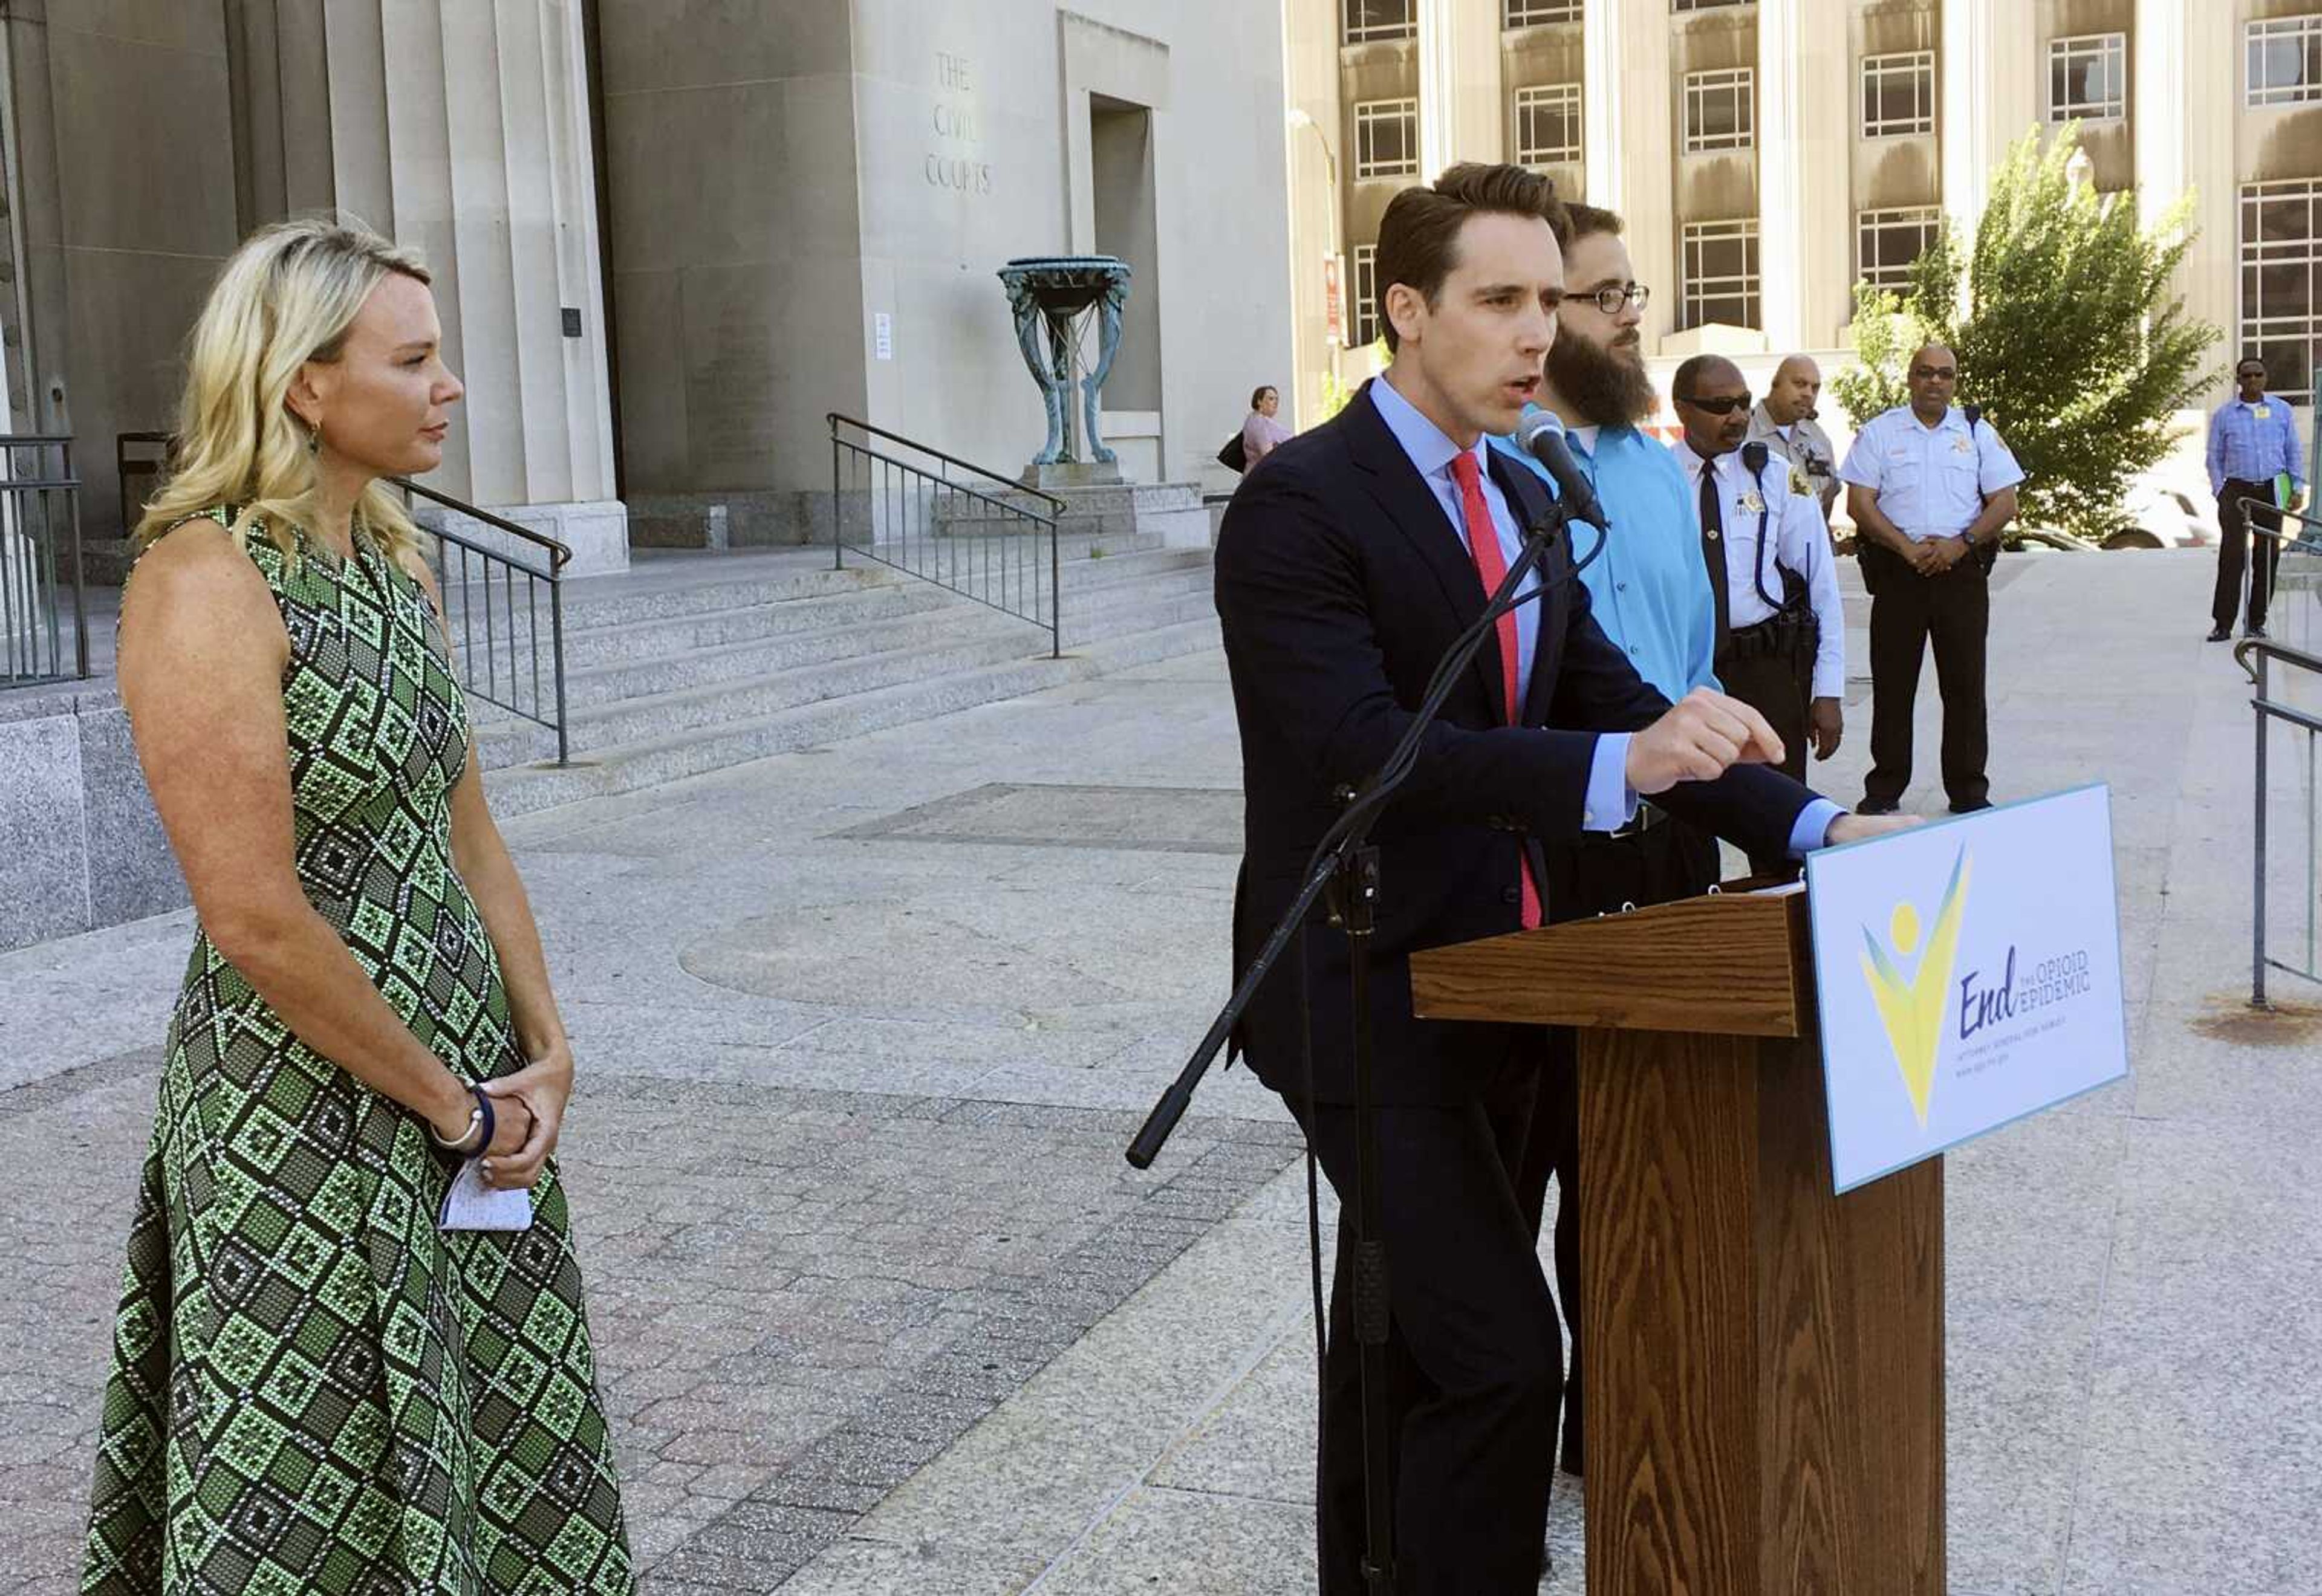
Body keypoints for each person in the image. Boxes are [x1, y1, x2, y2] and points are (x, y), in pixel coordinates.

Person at [1214, 161, 1904, 1595]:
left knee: (1398, 1334)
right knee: (1505, 1355)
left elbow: (1606, 687)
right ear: (1405, 311)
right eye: (1500, 300)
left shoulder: (1525, 485)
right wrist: (1610, 771)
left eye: (1549, 299)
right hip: (1364, 985)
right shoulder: (1299, 507)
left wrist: (1805, 830)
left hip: (1512, 977)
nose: (1539, 333)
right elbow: (1360, 749)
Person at [82, 219, 633, 1594]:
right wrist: (454, 1105)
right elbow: (253, 916)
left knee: (486, 1431)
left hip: (467, 1090)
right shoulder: (201, 580)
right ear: (306, 382)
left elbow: (472, 832)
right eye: (416, 360)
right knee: (311, 1481)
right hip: (302, 1109)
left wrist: (543, 1047)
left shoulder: (391, 567)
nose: (448, 387)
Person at [1481, 201, 1721, 1480]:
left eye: (1635, 290)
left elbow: (1688, 665)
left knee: (1646, 1142)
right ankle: (1502, 1404)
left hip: (1668, 840)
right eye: (1607, 293)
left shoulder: (1654, 464)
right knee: (1531, 1143)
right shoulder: (1508, 465)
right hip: (1553, 842)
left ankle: (1614, 1405)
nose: (1635, 314)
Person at [1841, 342, 2023, 816]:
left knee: (1965, 687)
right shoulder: (1880, 432)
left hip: (1960, 574)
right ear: (1910, 378)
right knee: (1893, 685)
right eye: (1926, 373)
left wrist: (1960, 544)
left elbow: (2005, 503)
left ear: (1956, 381)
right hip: (1899, 573)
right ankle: (1884, 789)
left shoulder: (1977, 432)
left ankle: (1968, 791)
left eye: (1945, 374)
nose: (1935, 382)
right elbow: (1858, 504)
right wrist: (1905, 547)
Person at [1670, 353, 1846, 813]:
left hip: (1765, 669)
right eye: (1721, 405)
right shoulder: (1657, 478)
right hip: (1684, 672)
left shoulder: (1775, 476)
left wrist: (1827, 690)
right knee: (1689, 819)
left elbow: (1821, 587)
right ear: (1682, 409)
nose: (1738, 417)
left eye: (1745, 403)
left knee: (1779, 815)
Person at [2206, 354, 2309, 641]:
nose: (2253, 380)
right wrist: (2219, 491)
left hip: (2272, 489)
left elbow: (2293, 452)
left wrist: (2297, 488)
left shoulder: (2282, 411)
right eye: (2247, 376)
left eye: (2258, 375)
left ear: (2266, 378)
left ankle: (2256, 623)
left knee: (2267, 558)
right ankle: (2223, 624)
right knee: (2232, 556)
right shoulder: (2225, 415)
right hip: (2237, 491)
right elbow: (2214, 456)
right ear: (2238, 380)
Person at [1747, 354, 1842, 520]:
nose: (1808, 393)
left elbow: (1828, 495)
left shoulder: (1818, 437)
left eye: (1815, 388)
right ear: (1775, 384)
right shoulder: (1744, 432)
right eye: (1799, 384)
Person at [1242, 383, 1293, 467]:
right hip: (1266, 475)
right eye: (1271, 399)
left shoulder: (1255, 419)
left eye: (1277, 399)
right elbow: (1268, 456)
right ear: (1259, 402)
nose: (1276, 403)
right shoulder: (1259, 424)